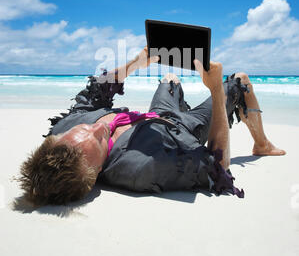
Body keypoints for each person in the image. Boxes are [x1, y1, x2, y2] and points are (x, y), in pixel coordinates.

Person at [18, 47, 285, 206]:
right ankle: (262, 144)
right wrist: (215, 90)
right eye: (99, 141)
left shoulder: (64, 130)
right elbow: (218, 168)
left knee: (170, 77)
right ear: (96, 173)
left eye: (87, 128)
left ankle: (177, 93)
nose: (100, 128)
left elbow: (95, 91)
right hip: (183, 130)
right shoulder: (139, 168)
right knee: (240, 79)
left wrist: (136, 64)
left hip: (155, 116)